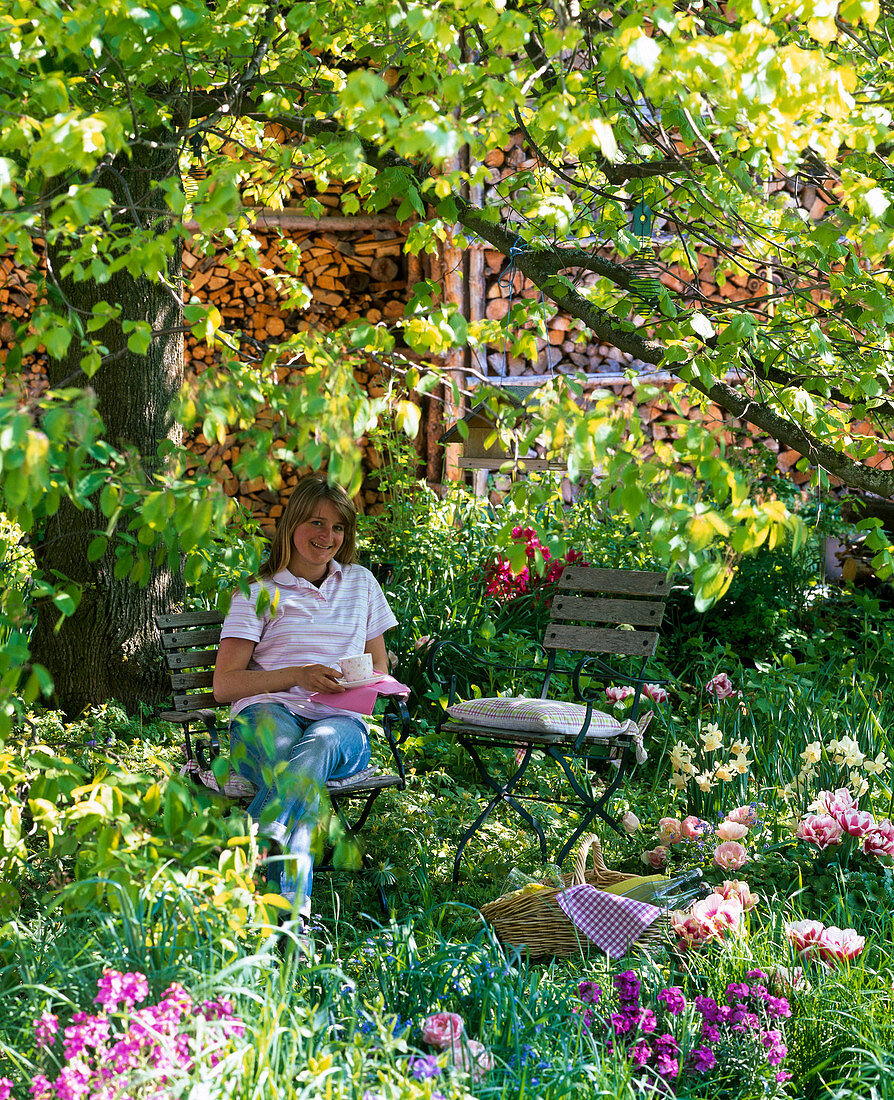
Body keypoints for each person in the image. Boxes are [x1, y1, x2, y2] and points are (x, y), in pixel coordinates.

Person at [212, 474, 397, 921]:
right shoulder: (259, 593)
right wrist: (296, 675)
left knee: (318, 746)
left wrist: (351, 684)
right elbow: (225, 685)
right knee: (301, 788)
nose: (327, 537)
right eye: (317, 523)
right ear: (292, 524)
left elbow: (380, 670)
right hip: (266, 716)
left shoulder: (362, 584)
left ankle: (254, 835)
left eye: (338, 528)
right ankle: (292, 932)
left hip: (340, 724)